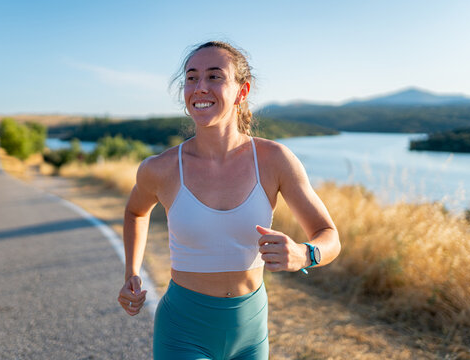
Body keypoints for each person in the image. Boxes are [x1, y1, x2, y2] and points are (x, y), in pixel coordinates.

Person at [117, 41, 341, 360]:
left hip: (250, 333)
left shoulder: (274, 160)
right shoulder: (161, 168)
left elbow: (330, 236)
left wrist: (305, 254)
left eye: (215, 76)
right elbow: (135, 212)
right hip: (183, 330)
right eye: (192, 78)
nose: (200, 87)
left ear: (242, 90)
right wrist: (131, 273)